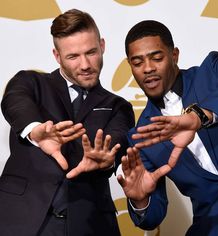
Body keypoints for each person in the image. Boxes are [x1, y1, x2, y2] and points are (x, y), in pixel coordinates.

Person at [0, 9, 135, 236]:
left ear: (102, 45)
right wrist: (35, 131)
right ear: (57, 56)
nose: (85, 65)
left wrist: (106, 161)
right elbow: (15, 101)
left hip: (89, 225)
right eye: (73, 56)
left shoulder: (118, 106)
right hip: (20, 221)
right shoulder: (31, 82)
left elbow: (117, 139)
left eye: (91, 52)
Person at [117, 20, 218, 236]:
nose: (148, 68)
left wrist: (200, 116)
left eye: (157, 58)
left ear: (174, 56)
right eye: (138, 62)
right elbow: (153, 217)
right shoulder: (142, 136)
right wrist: (140, 199)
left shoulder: (213, 71)